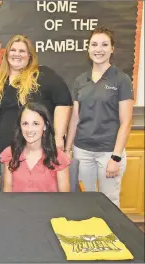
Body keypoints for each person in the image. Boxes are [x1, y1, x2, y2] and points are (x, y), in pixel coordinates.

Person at [0, 34, 72, 191]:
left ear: (30, 56)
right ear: (6, 53)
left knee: (24, 197)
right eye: (13, 50)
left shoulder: (43, 76)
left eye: (22, 51)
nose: (17, 54)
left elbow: (64, 102)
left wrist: (58, 137)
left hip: (27, 153)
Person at [65, 26, 134, 206]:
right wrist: (67, 149)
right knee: (85, 202)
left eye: (104, 44)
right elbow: (75, 119)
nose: (99, 49)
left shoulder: (121, 80)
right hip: (82, 151)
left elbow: (126, 123)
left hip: (108, 152)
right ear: (88, 48)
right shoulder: (80, 80)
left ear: (112, 48)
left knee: (109, 202)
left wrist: (116, 157)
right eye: (94, 44)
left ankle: (112, 235)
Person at [0, 102, 70, 192]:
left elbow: (64, 199)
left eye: (35, 124)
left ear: (45, 125)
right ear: (20, 126)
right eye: (25, 123)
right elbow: (7, 193)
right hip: (17, 206)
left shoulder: (58, 157)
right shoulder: (10, 153)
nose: (29, 129)